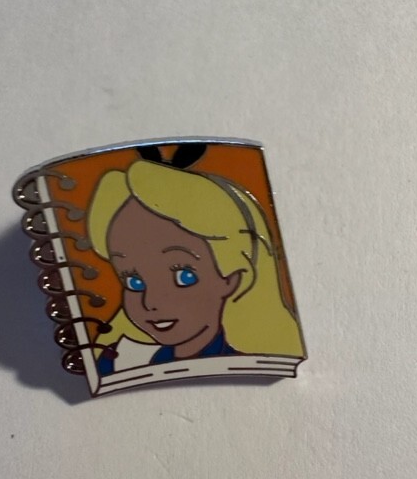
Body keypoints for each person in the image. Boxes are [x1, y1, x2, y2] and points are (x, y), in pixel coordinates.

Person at [87, 160, 302, 374]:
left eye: (184, 276)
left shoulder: (254, 362)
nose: (151, 302)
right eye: (134, 282)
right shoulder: (115, 362)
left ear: (231, 277)